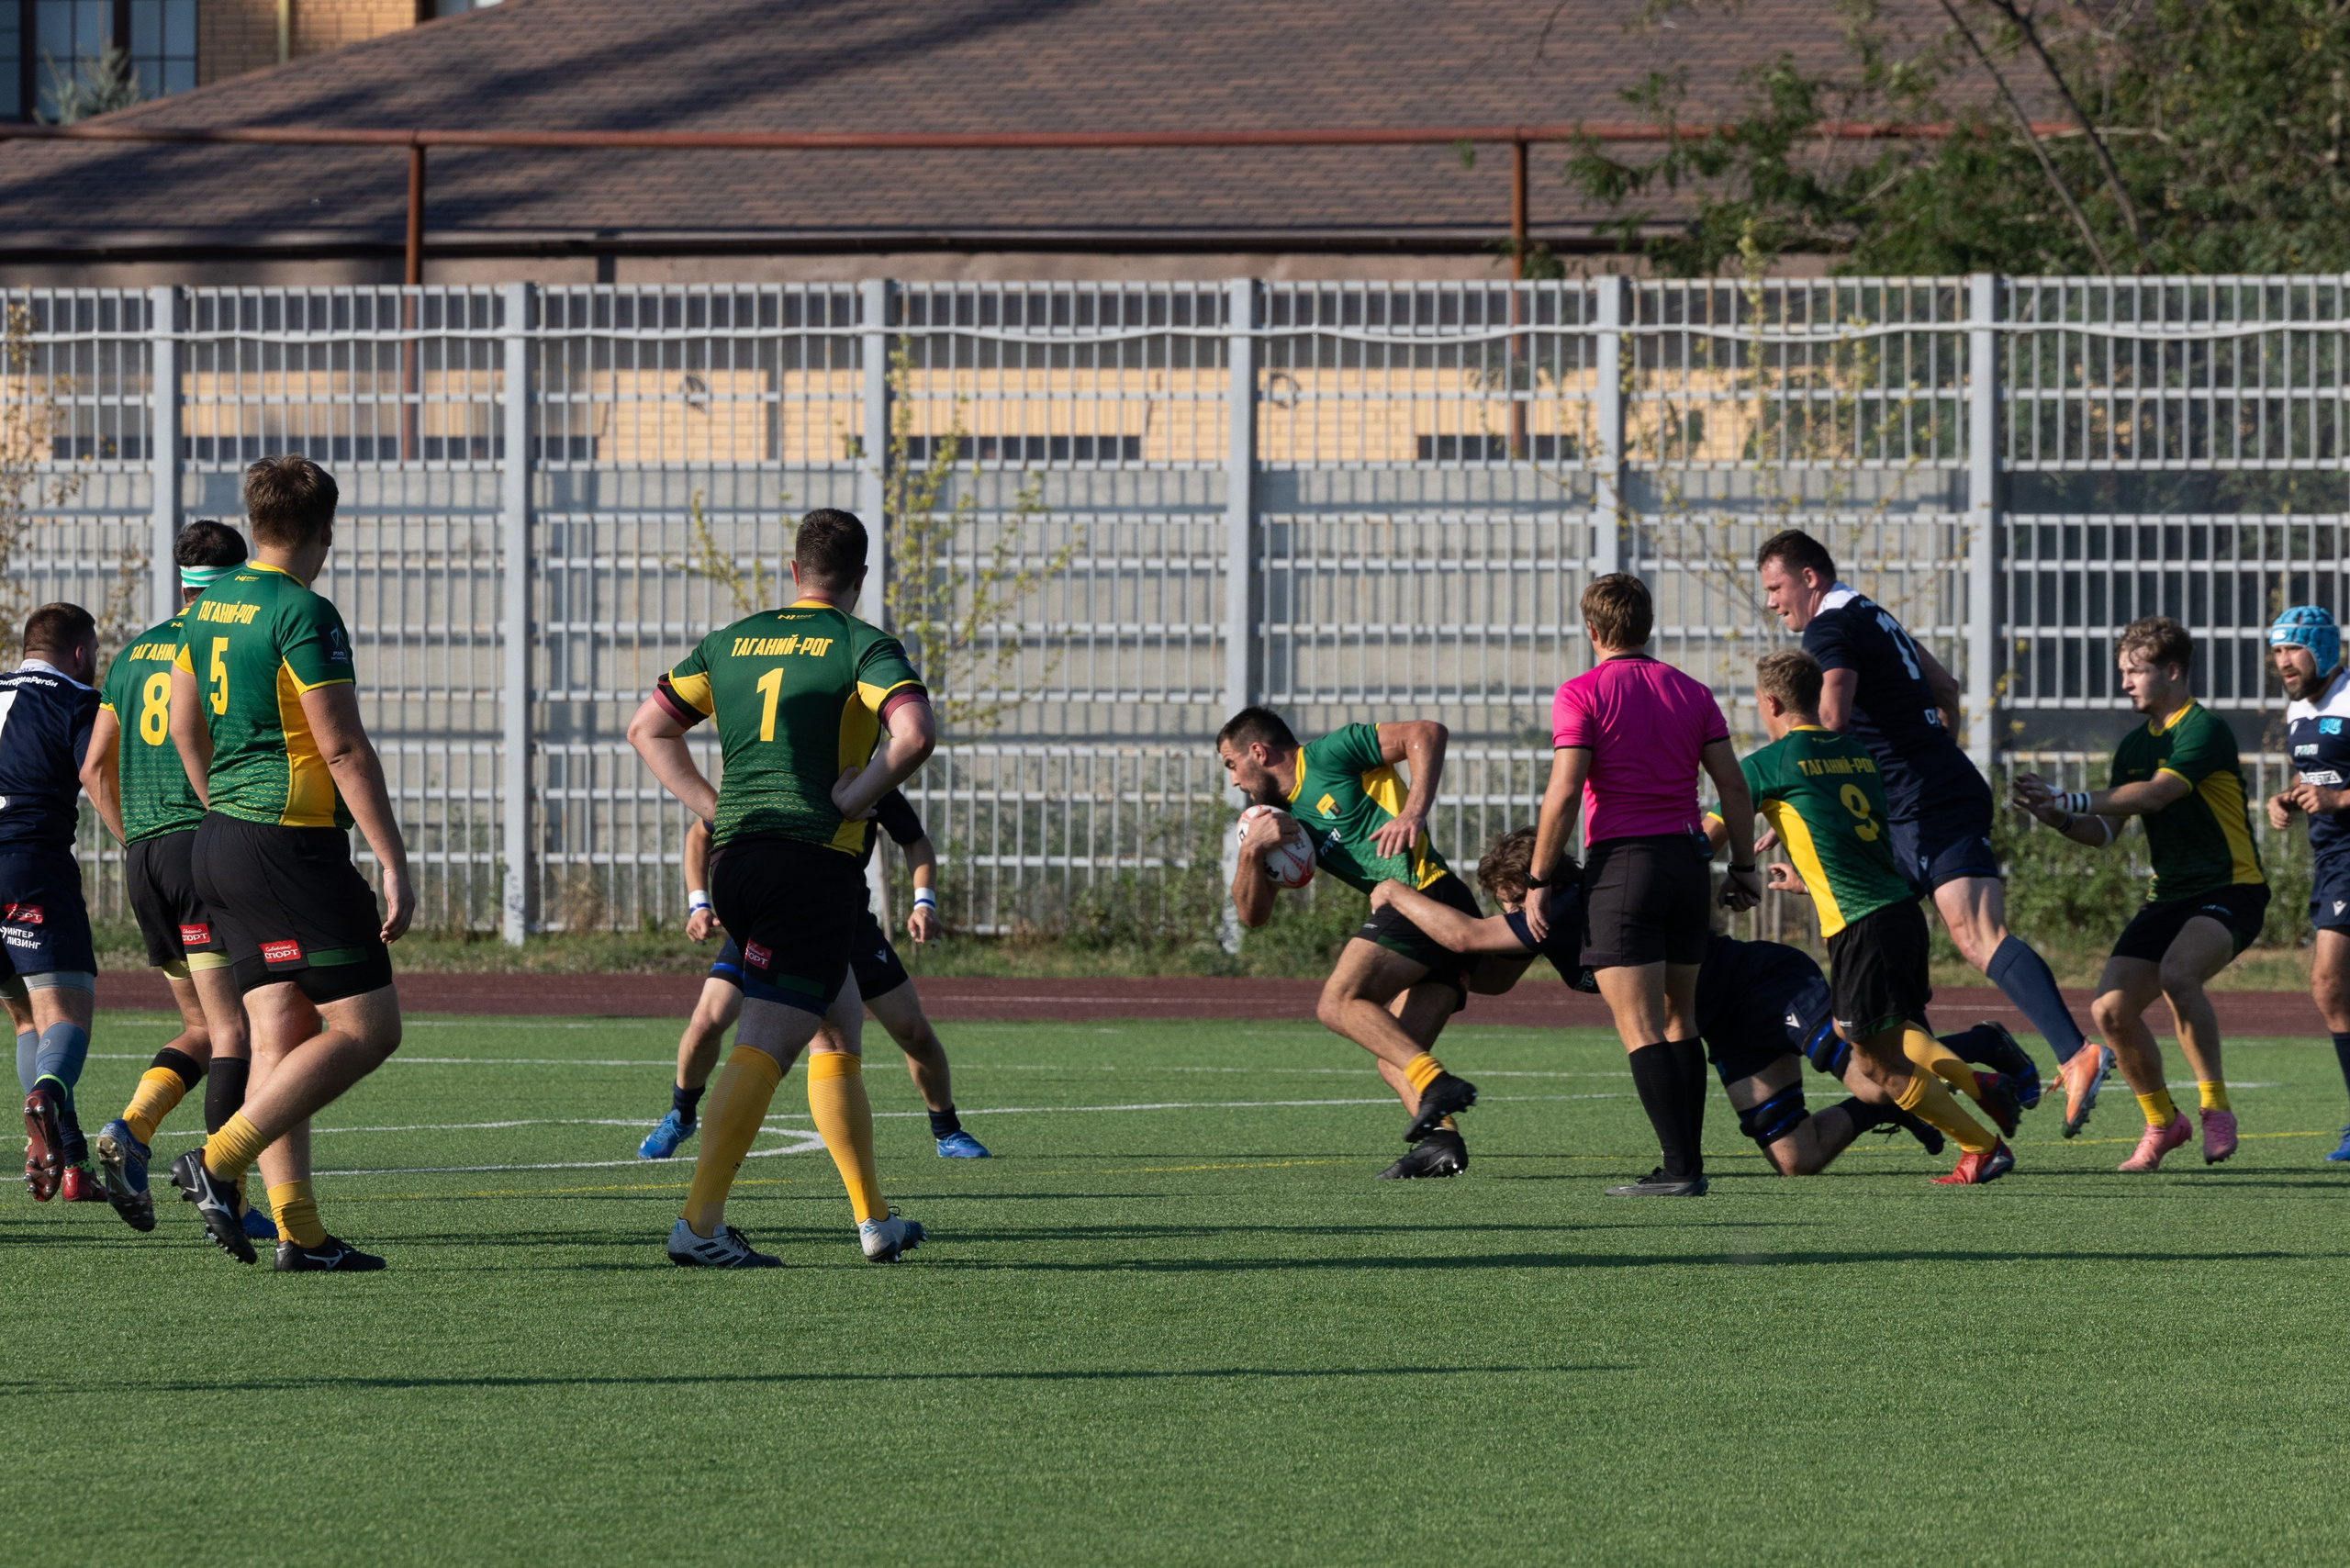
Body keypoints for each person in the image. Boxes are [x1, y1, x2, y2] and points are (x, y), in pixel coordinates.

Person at [627, 507, 935, 1268]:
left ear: (794, 571)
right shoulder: (863, 646)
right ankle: (698, 1227)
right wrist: (859, 792)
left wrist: (712, 805)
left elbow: (648, 729)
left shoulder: (730, 641)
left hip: (737, 861)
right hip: (809, 863)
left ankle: (874, 1220)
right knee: (769, 1038)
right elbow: (916, 732)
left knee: (837, 1025)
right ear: (859, 579)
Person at [1372, 828, 2030, 1177]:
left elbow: (1465, 934)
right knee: (1797, 1159)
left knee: (1873, 1075)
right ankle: (1893, 1111)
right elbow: (1486, 975)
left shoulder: (1565, 906)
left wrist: (1393, 896)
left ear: (1523, 885)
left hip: (1763, 984)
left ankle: (1978, 1047)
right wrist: (1444, 978)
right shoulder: (1552, 928)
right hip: (1726, 1026)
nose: (1509, 915)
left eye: (1508, 901)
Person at [1756, 530, 2109, 1135]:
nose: (1771, 602)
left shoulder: (1828, 630)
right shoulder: (1871, 613)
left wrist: (1795, 780)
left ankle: (2076, 1053)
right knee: (1876, 942)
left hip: (1924, 802)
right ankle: (1956, 1071)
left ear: (1809, 578)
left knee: (1975, 935)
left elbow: (1832, 716)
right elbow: (1944, 688)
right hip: (1918, 798)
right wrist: (1928, 753)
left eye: (1776, 588)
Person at [166, 456, 411, 1271]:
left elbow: (185, 727)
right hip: (289, 842)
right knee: (369, 1028)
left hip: (221, 839)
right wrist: (393, 859)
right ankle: (220, 1160)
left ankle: (299, 1232)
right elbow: (341, 746)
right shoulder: (303, 610)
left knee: (281, 1030)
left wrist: (220, 807)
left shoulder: (206, 609)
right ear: (322, 530)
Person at [1742, 649, 2017, 1184]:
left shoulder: (1769, 763)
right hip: (1897, 911)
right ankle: (1982, 1088)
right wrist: (1809, 879)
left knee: (1873, 1064)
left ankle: (1981, 1146)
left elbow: (1711, 831)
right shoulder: (1855, 752)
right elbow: (1851, 834)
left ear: (1770, 702)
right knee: (1882, 1036)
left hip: (1862, 926)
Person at [1526, 572, 1760, 1198]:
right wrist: (1742, 865)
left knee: (1640, 1026)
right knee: (1680, 1018)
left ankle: (1680, 1170)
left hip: (1624, 867)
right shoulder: (1691, 691)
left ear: (1593, 631)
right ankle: (1688, 1164)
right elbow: (1734, 788)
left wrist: (1538, 877)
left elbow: (1567, 789)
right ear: (1646, 627)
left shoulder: (1582, 693)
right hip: (1687, 864)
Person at [2014, 616, 2269, 1172]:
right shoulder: (2133, 744)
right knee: (2109, 1010)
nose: (2125, 682)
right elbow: (2105, 835)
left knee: (2179, 974)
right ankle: (2163, 1123)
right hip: (2171, 895)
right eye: (2122, 671)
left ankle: (2214, 1108)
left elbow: (2157, 796)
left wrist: (2071, 796)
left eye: (2136, 671)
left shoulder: (2202, 729)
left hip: (2233, 888)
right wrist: (2056, 815)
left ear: (2173, 671)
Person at [81, 521, 275, 1240]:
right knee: (240, 1032)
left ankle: (133, 1130)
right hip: (206, 849)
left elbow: (94, 767)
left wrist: (135, 839)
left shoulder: (134, 655)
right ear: (239, 574)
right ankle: (225, 1190)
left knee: (203, 1024)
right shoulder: (222, 645)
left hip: (147, 860)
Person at [637, 805, 989, 1162]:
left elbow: (915, 840)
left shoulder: (867, 773)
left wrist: (923, 902)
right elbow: (700, 832)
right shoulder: (772, 775)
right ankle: (680, 1115)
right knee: (706, 1023)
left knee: (914, 1032)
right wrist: (699, 904)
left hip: (844, 923)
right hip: (770, 922)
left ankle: (947, 1130)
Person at [1218, 705, 1481, 1180]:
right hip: (1431, 910)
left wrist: (1413, 814)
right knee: (1395, 1051)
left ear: (1257, 752)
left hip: (1424, 895)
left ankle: (1437, 1084)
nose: (1233, 780)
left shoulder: (1327, 755)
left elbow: (1426, 732)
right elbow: (1250, 916)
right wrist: (1251, 851)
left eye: (1231, 764)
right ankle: (1441, 1141)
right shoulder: (1283, 820)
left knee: (1338, 1004)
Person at [2, 602, 105, 1204]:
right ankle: (44, 1100)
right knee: (65, 1016)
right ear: (79, 653)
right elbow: (99, 776)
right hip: (29, 864)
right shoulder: (75, 702)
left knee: (25, 1019)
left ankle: (71, 1164)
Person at [2263, 607, 2350, 1164]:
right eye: (2276, 652)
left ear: (2320, 648)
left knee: (2328, 983)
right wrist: (2289, 795)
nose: (2282, 662)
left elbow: (2339, 788)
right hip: (2331, 857)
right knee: (2332, 990)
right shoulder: (2300, 707)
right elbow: (2320, 772)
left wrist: (2340, 801)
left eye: (2293, 649)